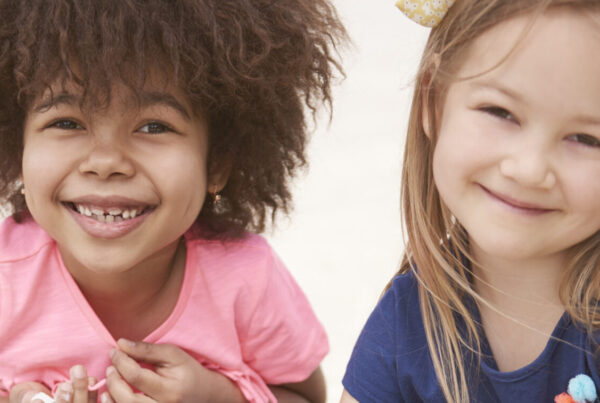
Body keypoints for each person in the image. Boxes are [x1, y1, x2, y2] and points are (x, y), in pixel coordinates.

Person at [0, 0, 347, 402]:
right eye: (66, 123)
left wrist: (217, 397)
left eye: (153, 126)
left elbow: (306, 397)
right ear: (16, 147)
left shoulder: (247, 280)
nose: (106, 162)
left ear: (216, 163)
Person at [341, 0, 600, 402]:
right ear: (433, 99)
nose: (529, 169)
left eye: (586, 138)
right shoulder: (404, 325)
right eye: (500, 111)